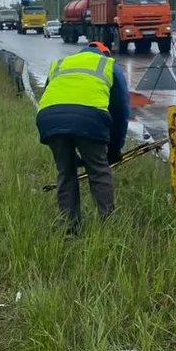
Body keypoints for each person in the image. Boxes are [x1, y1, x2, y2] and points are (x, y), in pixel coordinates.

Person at [36, 41, 130, 233]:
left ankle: (69, 228)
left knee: (65, 171)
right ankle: (108, 226)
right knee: (98, 170)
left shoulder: (61, 64)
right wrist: (114, 150)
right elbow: (120, 111)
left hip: (50, 119)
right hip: (90, 119)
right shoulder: (109, 65)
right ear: (105, 53)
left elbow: (51, 96)